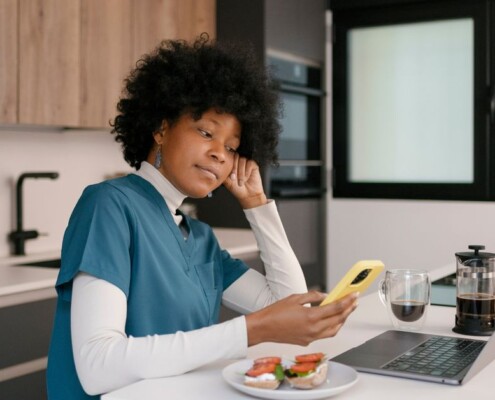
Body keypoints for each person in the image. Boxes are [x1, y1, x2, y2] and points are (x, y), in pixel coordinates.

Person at [46, 34, 358, 399]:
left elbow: (289, 305)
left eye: (231, 148)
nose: (220, 155)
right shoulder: (109, 205)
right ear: (161, 128)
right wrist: (250, 331)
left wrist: (257, 204)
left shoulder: (200, 239)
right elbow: (98, 366)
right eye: (206, 132)